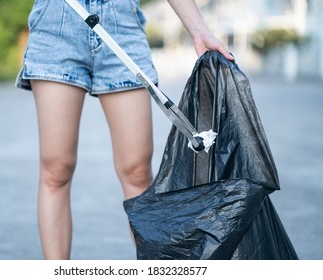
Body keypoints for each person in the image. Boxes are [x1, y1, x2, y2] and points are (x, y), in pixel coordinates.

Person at [16, 0, 234, 260]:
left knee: (138, 171)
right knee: (56, 170)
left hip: (121, 23)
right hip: (58, 22)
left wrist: (199, 30)